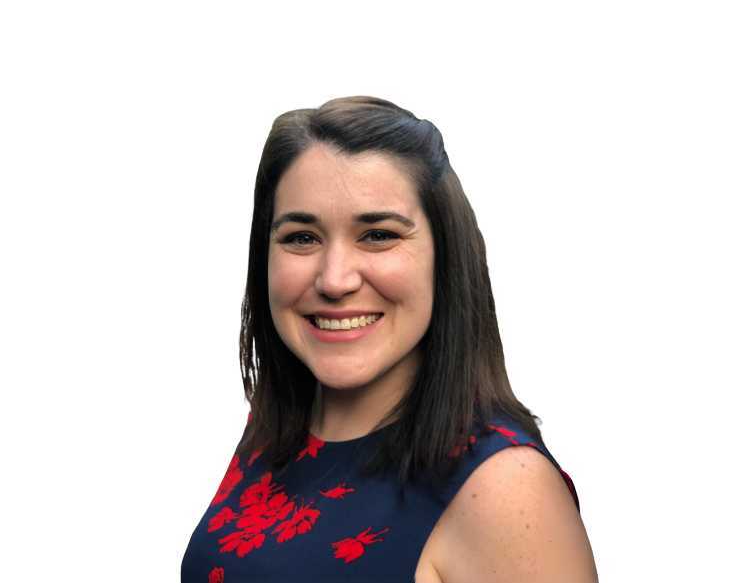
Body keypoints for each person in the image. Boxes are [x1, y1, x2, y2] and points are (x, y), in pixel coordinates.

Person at [181, 95, 598, 582]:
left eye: (378, 234)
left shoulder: (506, 488)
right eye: (301, 237)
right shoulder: (273, 431)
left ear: (446, 257)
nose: (334, 280)